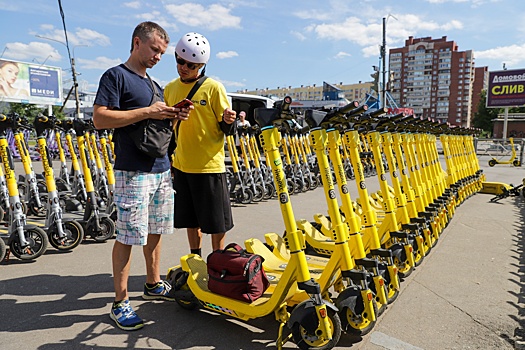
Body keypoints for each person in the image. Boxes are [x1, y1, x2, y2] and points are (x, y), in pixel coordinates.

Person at [93, 21, 191, 331]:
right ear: (137, 42)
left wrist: (174, 116)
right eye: (155, 50)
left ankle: (153, 282)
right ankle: (120, 302)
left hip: (161, 167)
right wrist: (148, 112)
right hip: (132, 170)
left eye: (163, 52)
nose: (159, 57)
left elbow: (155, 128)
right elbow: (100, 118)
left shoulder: (153, 84)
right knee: (128, 234)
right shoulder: (115, 76)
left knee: (156, 229)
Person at [164, 32, 236, 257]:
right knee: (190, 219)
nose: (184, 67)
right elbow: (167, 127)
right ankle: (195, 258)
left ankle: (218, 262)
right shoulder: (170, 89)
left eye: (192, 65)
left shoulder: (213, 88)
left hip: (209, 166)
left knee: (216, 221)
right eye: (180, 61)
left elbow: (228, 127)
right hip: (183, 165)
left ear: (202, 66)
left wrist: (228, 121)